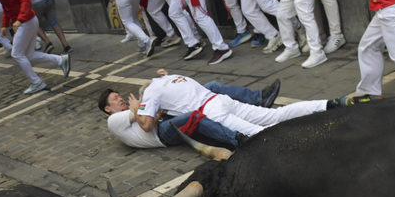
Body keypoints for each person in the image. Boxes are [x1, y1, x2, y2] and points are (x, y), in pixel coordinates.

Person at [134, 70, 340, 139]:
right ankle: (327, 104)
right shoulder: (170, 78)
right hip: (220, 99)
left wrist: (137, 110)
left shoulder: (151, 92)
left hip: (211, 111)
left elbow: (146, 126)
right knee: (276, 116)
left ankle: (310, 137)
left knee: (259, 133)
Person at [99, 75, 284, 149]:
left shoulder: (134, 111)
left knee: (210, 87)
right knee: (195, 116)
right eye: (115, 99)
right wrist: (138, 106)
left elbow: (150, 113)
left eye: (118, 96)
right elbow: (147, 123)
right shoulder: (114, 121)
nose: (120, 99)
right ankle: (237, 138)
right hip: (161, 134)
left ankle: (259, 98)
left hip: (161, 121)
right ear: (108, 109)